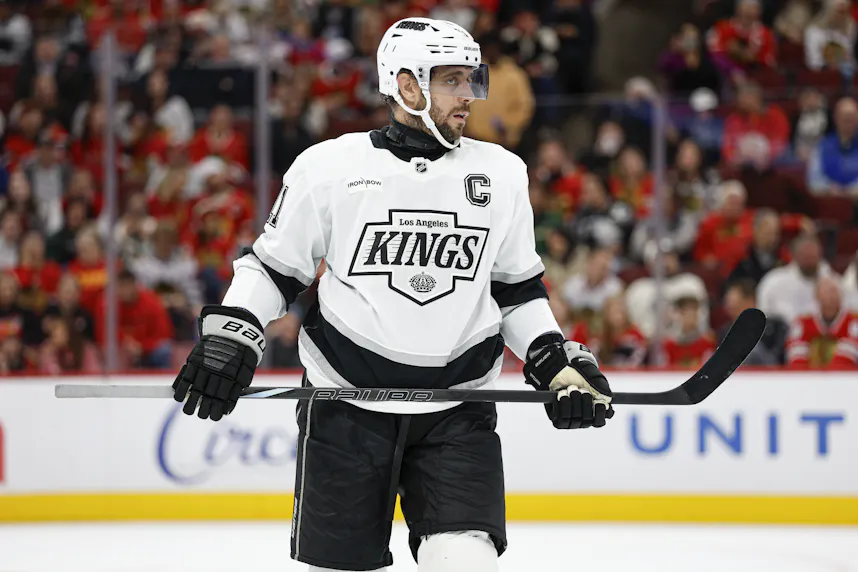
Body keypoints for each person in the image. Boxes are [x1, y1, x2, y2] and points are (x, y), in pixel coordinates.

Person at [171, 18, 615, 572]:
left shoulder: (502, 173)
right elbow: (274, 269)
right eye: (452, 80)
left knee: (466, 560)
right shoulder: (329, 167)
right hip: (345, 405)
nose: (467, 97)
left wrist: (553, 360)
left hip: (458, 407)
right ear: (407, 86)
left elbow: (516, 291)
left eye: (468, 80)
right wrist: (235, 332)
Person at [757, 233, 837, 324]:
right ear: (793, 255)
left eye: (813, 256)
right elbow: (763, 315)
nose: (810, 260)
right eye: (806, 256)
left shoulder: (833, 282)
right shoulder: (773, 282)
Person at [786, 277, 858, 367]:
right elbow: (796, 359)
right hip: (809, 378)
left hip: (844, 378)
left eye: (835, 291)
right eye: (827, 292)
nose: (832, 296)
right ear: (817, 296)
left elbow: (847, 360)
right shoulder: (802, 323)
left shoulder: (853, 322)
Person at [721, 278, 787, 365]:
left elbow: (777, 358)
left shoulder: (773, 327)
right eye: (728, 305)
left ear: (750, 301)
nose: (729, 308)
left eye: (735, 305)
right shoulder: (725, 332)